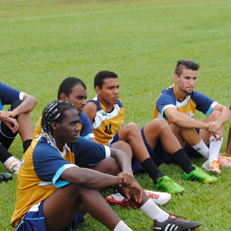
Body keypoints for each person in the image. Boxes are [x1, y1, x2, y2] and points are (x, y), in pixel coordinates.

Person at [12, 101, 201, 231]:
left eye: (78, 122)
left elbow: (118, 150)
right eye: (72, 124)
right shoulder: (42, 150)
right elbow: (81, 178)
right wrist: (120, 180)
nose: (78, 128)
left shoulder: (68, 140)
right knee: (81, 184)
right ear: (54, 126)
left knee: (111, 163)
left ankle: (161, 219)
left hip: (62, 212)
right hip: (32, 222)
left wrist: (127, 173)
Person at [37, 76, 171, 208]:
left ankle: (125, 189)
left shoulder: (83, 115)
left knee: (120, 149)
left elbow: (93, 147)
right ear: (64, 98)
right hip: (65, 178)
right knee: (125, 137)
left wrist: (125, 170)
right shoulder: (50, 122)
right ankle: (128, 189)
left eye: (117, 87)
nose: (84, 102)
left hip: (80, 170)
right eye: (79, 98)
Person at [83, 70, 215, 192]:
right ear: (98, 90)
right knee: (131, 127)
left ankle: (189, 168)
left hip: (125, 153)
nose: (116, 91)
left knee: (160, 123)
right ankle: (157, 176)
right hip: (106, 154)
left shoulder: (118, 104)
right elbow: (83, 140)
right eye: (110, 88)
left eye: (117, 87)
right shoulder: (91, 107)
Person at [152, 60, 231, 175]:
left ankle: (213, 160)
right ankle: (213, 157)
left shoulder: (194, 95)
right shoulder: (165, 96)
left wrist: (218, 122)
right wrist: (206, 126)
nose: (191, 83)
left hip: (189, 145)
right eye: (187, 78)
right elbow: (176, 118)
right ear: (176, 77)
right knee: (181, 121)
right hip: (168, 150)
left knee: (217, 114)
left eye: (194, 78)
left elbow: (226, 111)